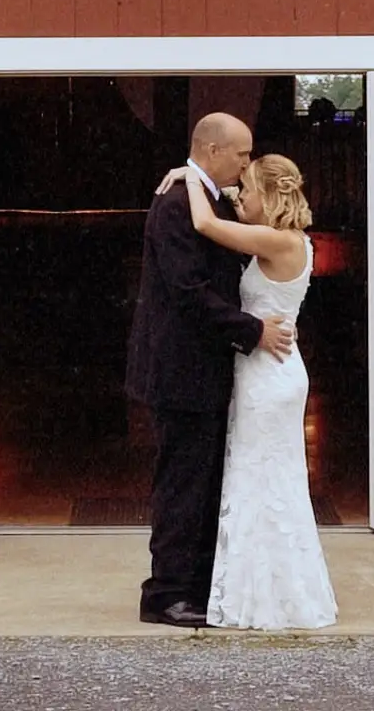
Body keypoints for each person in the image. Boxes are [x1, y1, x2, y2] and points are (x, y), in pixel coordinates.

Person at [125, 114, 294, 629]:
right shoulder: (175, 203)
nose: (247, 164)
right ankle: (165, 593)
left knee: (203, 481)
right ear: (213, 150)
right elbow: (187, 292)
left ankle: (198, 583)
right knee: (182, 482)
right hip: (180, 370)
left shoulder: (207, 198)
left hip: (208, 370)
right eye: (241, 154)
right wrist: (251, 330)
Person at [159, 153, 338, 631]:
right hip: (269, 369)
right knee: (265, 480)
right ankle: (266, 586)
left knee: (259, 480)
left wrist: (188, 174)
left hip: (268, 375)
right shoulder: (287, 242)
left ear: (271, 197)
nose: (240, 197)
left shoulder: (274, 240)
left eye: (248, 190)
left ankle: (259, 593)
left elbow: (202, 222)